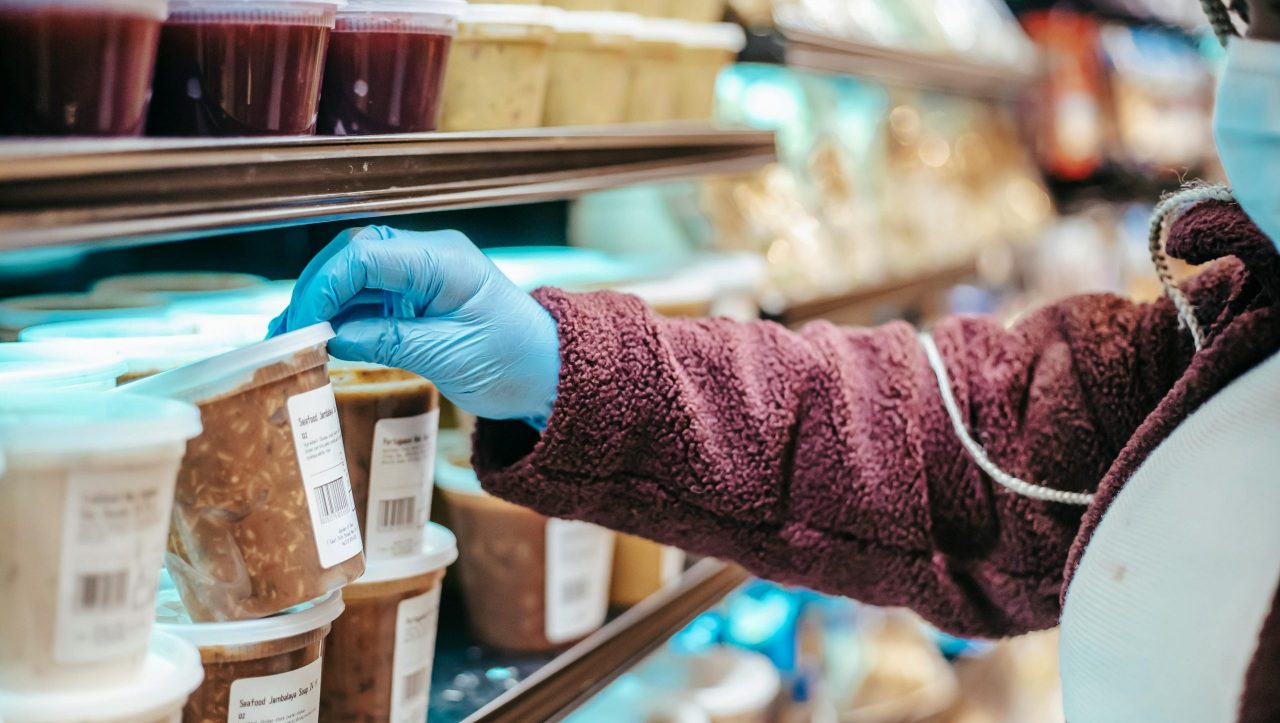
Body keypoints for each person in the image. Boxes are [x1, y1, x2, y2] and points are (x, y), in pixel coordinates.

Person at [272, 1, 1280, 719]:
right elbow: (960, 443)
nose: (1252, 66)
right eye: (1242, 20)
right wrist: (563, 367)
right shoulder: (1229, 333)